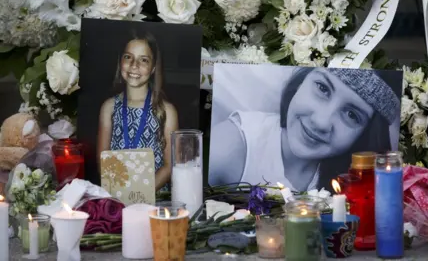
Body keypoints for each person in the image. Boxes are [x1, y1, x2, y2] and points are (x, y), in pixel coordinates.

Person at [209, 67, 400, 192]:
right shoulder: (229, 148)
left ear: (364, 134)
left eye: (351, 115)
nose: (321, 122)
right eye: (322, 89)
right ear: (300, 83)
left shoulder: (360, 182)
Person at [97, 29, 179, 191]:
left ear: (154, 67)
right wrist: (122, 193)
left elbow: (170, 166)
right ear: (120, 61)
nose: (134, 65)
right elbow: (102, 160)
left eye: (144, 60)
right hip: (117, 193)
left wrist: (141, 192)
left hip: (154, 197)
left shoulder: (167, 111)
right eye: (128, 57)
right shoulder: (109, 107)